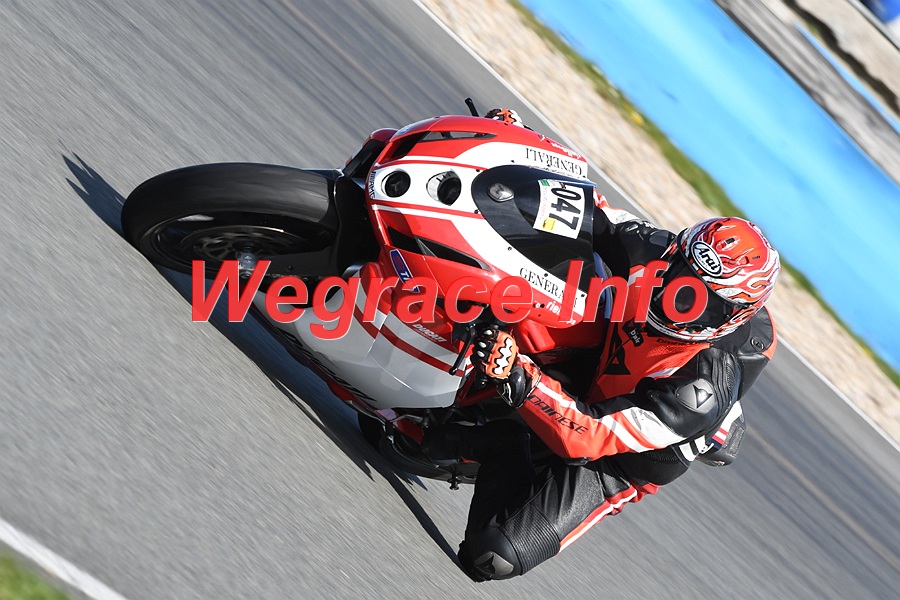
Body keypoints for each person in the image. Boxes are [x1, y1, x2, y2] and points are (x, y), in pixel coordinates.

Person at [424, 109, 782, 581]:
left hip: (617, 454)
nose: (679, 302)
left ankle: (500, 442)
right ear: (675, 253)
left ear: (731, 318)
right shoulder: (650, 248)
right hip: (601, 361)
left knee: (492, 556)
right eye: (681, 278)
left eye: (703, 305)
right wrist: (519, 143)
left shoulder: (698, 391)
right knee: (535, 282)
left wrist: (519, 377)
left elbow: (589, 435)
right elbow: (585, 205)